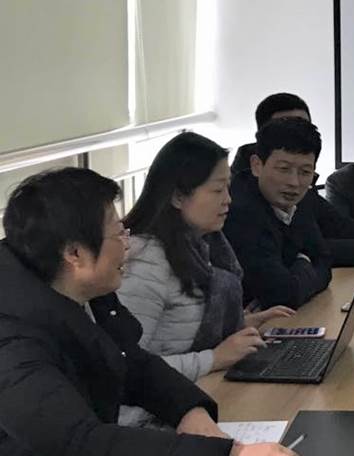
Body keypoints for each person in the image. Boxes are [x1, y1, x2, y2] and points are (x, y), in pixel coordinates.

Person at [0, 167, 294, 456]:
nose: (127, 246)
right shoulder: (12, 341)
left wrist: (189, 410)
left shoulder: (85, 291)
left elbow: (133, 363)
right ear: (74, 254)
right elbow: (78, 442)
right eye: (118, 234)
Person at [117, 132, 294, 387]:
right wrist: (214, 358)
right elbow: (127, 367)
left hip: (197, 388)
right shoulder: (145, 261)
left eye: (228, 188)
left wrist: (238, 324)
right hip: (155, 405)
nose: (228, 200)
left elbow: (184, 326)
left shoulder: (203, 246)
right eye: (217, 190)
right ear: (178, 196)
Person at [231, 93, 354, 266]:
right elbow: (306, 252)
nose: (296, 133)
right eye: (286, 126)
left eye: (303, 126)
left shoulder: (302, 187)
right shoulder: (240, 195)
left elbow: (339, 229)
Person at [223, 117, 332, 309]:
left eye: (305, 172)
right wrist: (303, 262)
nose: (294, 183)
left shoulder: (298, 200)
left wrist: (297, 269)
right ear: (257, 165)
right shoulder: (240, 211)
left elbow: (324, 262)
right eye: (284, 169)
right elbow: (282, 294)